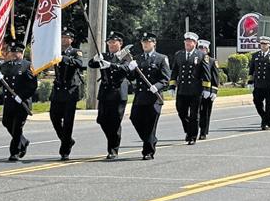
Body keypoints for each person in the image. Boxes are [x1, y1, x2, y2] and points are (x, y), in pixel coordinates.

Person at [88, 31, 132, 159]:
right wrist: (95, 59)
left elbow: (126, 68)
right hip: (105, 92)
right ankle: (111, 140)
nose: (111, 45)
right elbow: (91, 64)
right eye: (109, 42)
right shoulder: (104, 55)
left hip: (118, 92)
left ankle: (113, 149)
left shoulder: (125, 55)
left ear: (120, 43)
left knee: (115, 122)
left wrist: (111, 65)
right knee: (102, 120)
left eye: (114, 42)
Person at [0, 40, 38, 161]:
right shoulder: (5, 66)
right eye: (11, 52)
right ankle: (23, 141)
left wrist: (21, 96)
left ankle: (15, 152)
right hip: (9, 102)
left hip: (21, 103)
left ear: (21, 53)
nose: (12, 54)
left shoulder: (27, 65)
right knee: (6, 122)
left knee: (17, 127)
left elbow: (32, 86)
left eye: (15, 52)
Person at [128, 31, 170, 159]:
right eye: (143, 42)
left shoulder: (161, 58)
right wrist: (130, 69)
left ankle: (148, 152)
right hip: (140, 97)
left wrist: (156, 86)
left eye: (148, 42)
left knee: (150, 125)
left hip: (154, 98)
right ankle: (150, 139)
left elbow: (165, 79)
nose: (145, 44)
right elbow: (131, 77)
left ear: (154, 43)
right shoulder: (137, 58)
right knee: (134, 118)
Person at [168, 32, 211, 145]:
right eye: (186, 41)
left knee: (194, 114)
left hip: (195, 90)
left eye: (190, 41)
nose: (187, 43)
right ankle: (188, 129)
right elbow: (175, 71)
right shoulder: (179, 54)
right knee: (181, 111)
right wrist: (172, 86)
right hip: (182, 89)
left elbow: (206, 73)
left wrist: (207, 88)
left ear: (195, 43)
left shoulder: (201, 55)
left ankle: (192, 136)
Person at [49, 28, 85, 160]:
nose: (64, 39)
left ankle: (65, 150)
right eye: (62, 37)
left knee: (68, 121)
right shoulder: (56, 51)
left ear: (71, 40)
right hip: (58, 89)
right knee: (54, 117)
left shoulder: (76, 52)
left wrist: (64, 58)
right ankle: (68, 140)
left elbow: (79, 63)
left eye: (66, 37)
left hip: (70, 90)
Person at [247, 36, 270, 130]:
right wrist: (250, 82)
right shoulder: (255, 55)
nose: (263, 45)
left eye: (265, 44)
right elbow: (251, 70)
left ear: (269, 45)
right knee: (257, 101)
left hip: (269, 85)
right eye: (261, 43)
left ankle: (267, 123)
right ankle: (264, 117)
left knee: (269, 105)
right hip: (258, 84)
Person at [198, 39, 220, 139]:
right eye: (200, 48)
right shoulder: (194, 59)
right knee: (195, 112)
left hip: (208, 91)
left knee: (205, 112)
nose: (202, 50)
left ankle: (203, 132)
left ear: (208, 50)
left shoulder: (212, 61)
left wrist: (214, 91)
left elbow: (215, 77)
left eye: (204, 48)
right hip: (196, 90)